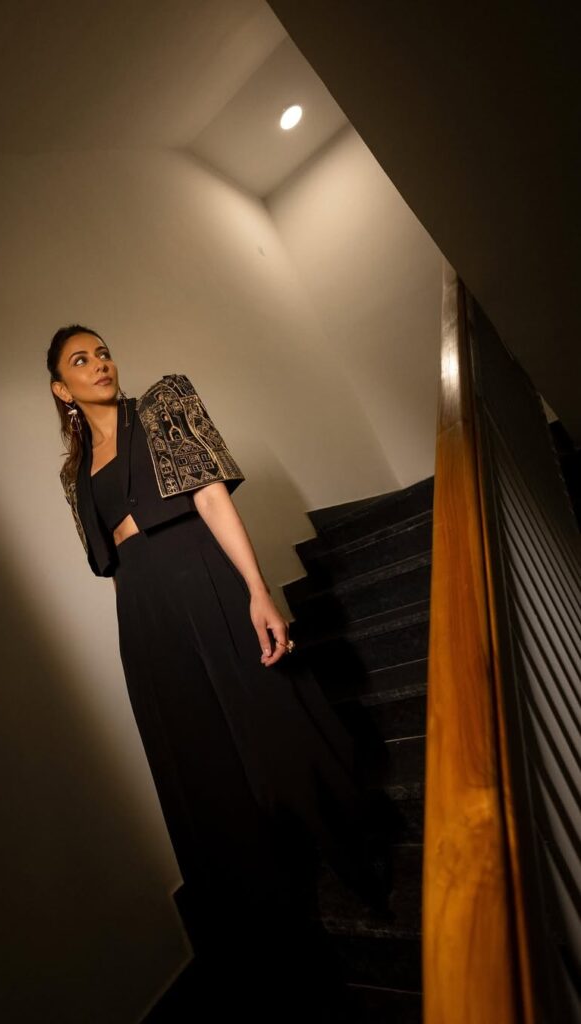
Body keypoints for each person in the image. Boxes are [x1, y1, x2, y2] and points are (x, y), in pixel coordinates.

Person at [47, 324, 392, 1017]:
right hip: (143, 609)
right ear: (62, 390)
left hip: (200, 570)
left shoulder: (163, 404)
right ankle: (263, 918)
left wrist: (256, 589)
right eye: (81, 360)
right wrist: (140, 640)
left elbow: (209, 498)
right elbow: (109, 562)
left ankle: (363, 850)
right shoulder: (71, 475)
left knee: (273, 717)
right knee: (198, 759)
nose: (100, 364)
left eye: (103, 351)